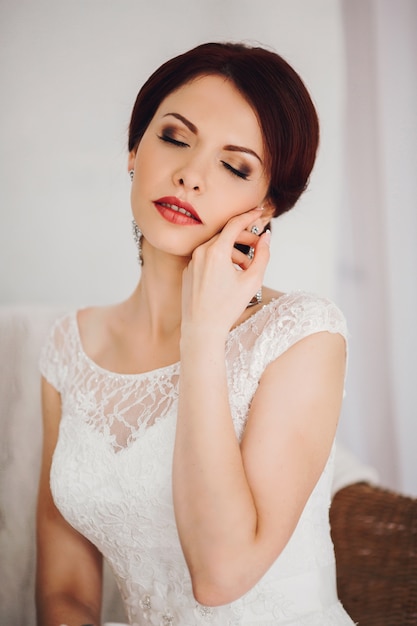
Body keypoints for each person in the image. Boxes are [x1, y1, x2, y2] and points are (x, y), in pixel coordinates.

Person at [36, 42, 354, 625]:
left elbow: (219, 576)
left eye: (235, 166)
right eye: (175, 138)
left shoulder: (303, 335)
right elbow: (66, 588)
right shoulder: (68, 348)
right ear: (133, 150)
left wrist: (202, 335)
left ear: (266, 208)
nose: (190, 175)